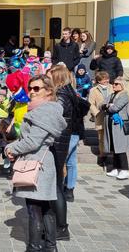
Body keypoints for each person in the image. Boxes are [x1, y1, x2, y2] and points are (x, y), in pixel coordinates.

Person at [5, 75, 67, 252]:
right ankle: (50, 246)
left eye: (37, 88)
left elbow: (33, 141)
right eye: (30, 88)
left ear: (48, 91)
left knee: (34, 209)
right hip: (41, 161)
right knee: (45, 207)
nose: (31, 91)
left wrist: (11, 148)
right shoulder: (47, 109)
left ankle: (34, 246)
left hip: (37, 162)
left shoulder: (43, 111)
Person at [46, 65, 79, 241]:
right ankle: (58, 225)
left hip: (57, 142)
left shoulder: (61, 96)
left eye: (50, 76)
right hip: (62, 140)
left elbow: (53, 117)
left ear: (57, 78)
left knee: (56, 186)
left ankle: (61, 227)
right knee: (57, 184)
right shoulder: (69, 92)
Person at [101, 77, 129, 180]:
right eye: (113, 83)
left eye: (116, 84)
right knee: (114, 147)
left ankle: (125, 170)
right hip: (110, 124)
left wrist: (108, 106)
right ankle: (115, 168)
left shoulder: (124, 96)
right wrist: (108, 105)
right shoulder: (112, 95)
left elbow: (115, 108)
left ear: (122, 85)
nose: (113, 85)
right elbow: (101, 105)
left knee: (121, 147)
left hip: (118, 125)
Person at [88, 71, 113, 169]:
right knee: (101, 138)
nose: (107, 80)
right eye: (104, 79)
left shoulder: (112, 87)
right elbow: (91, 103)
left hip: (111, 116)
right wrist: (96, 113)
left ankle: (111, 157)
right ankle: (103, 157)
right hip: (100, 116)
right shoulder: (94, 90)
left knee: (111, 137)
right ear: (99, 80)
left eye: (107, 78)